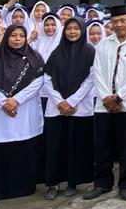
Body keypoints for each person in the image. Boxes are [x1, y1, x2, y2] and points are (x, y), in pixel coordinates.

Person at [88, 5, 126, 200]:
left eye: (123, 20)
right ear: (111, 24)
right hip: (103, 104)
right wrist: (107, 97)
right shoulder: (104, 44)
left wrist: (119, 97)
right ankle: (102, 183)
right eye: (115, 21)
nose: (119, 24)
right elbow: (96, 72)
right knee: (102, 146)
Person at [0, 24, 45, 201]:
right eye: (13, 35)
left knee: (22, 151)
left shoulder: (34, 58)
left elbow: (38, 82)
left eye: (21, 36)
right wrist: (3, 102)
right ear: (6, 37)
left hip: (24, 112)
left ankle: (21, 188)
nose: (17, 39)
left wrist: (16, 100)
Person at [41, 17, 97, 199]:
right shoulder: (57, 52)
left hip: (79, 109)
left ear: (82, 31)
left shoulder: (90, 52)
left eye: (76, 29)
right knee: (55, 146)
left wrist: (72, 101)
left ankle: (72, 182)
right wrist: (60, 102)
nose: (72, 32)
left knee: (76, 146)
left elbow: (90, 79)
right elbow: (47, 78)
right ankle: (53, 183)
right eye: (69, 29)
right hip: (56, 108)